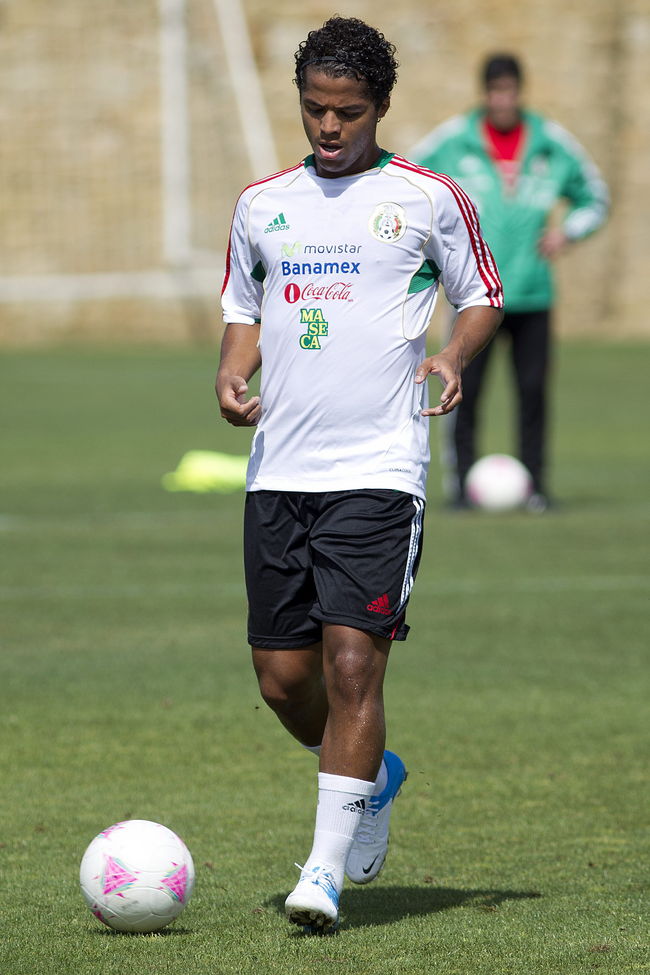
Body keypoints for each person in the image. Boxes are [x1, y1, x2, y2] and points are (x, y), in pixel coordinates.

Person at [216, 16, 503, 934]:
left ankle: (323, 873)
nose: (329, 126)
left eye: (347, 111)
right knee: (281, 678)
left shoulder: (427, 198)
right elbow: (245, 304)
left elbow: (482, 294)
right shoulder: (262, 203)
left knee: (352, 666)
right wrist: (233, 370)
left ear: (380, 106)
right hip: (279, 472)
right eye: (315, 109)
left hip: (380, 470)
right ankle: (371, 777)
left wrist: (453, 354)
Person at [411, 54, 609, 511]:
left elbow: (595, 196)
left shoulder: (550, 142)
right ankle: (462, 488)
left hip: (532, 291)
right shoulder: (453, 140)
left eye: (510, 91)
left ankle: (536, 487)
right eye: (495, 91)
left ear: (520, 92)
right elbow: (407, 184)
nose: (503, 100)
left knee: (533, 392)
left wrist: (568, 232)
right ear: (485, 93)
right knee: (462, 389)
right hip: (473, 297)